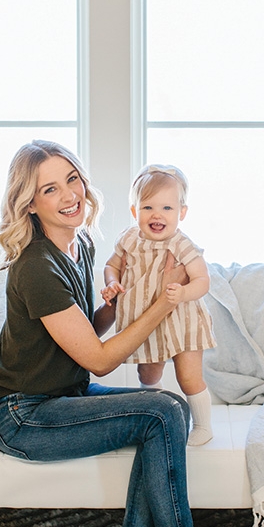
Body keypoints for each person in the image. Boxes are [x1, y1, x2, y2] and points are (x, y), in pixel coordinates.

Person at [0, 140, 263, 527]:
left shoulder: (82, 244)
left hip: (62, 398)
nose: (70, 194)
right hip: (23, 416)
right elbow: (98, 359)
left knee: (166, 411)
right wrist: (162, 299)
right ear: (30, 204)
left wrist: (114, 303)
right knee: (161, 409)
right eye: (50, 189)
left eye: (71, 178)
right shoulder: (36, 267)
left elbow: (83, 334)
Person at [102, 165, 215, 445]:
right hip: (146, 322)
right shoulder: (128, 239)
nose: (157, 215)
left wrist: (184, 292)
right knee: (147, 371)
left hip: (182, 321)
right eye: (148, 207)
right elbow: (111, 265)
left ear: (181, 213)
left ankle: (203, 425)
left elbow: (203, 279)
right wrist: (112, 282)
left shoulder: (181, 244)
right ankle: (154, 415)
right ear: (134, 211)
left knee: (188, 377)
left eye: (166, 208)